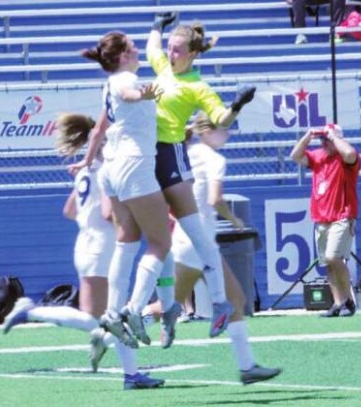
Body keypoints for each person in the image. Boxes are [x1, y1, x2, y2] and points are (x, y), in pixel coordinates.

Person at [3, 113, 165, 390]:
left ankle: (131, 374)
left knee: (104, 317)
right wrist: (135, 217)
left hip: (87, 245)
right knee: (105, 318)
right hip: (101, 248)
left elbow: (69, 210)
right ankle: (30, 312)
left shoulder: (87, 171)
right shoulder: (105, 170)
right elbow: (106, 212)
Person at [144, 113, 282, 384]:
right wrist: (233, 219)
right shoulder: (213, 158)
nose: (227, 135)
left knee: (236, 300)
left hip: (193, 240)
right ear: (207, 131)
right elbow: (215, 198)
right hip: (196, 243)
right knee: (166, 305)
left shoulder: (185, 152)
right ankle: (113, 327)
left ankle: (247, 367)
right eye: (223, 129)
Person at [145, 13, 257, 339]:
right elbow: (152, 46)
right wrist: (157, 25)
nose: (170, 53)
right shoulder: (163, 68)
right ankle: (129, 317)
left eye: (177, 50)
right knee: (182, 295)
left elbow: (220, 118)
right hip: (155, 157)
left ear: (193, 54)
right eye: (170, 48)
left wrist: (237, 105)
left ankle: (244, 360)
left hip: (166, 155)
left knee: (219, 297)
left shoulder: (197, 86)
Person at [68, 31, 182, 350]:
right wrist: (146, 93)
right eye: (131, 48)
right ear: (120, 57)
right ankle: (134, 308)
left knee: (126, 242)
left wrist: (85, 162)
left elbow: (98, 130)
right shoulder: (122, 80)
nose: (136, 51)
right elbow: (131, 94)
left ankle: (113, 313)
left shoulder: (110, 85)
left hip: (112, 169)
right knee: (160, 241)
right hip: (134, 166)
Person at [290, 124, 360, 317]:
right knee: (327, 264)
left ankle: (349, 300)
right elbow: (295, 155)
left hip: (342, 216)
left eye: (327, 139)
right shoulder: (319, 156)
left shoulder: (345, 157)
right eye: (323, 140)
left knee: (333, 257)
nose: (324, 143)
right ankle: (338, 303)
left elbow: (350, 154)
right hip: (321, 217)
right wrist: (308, 136)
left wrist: (334, 137)